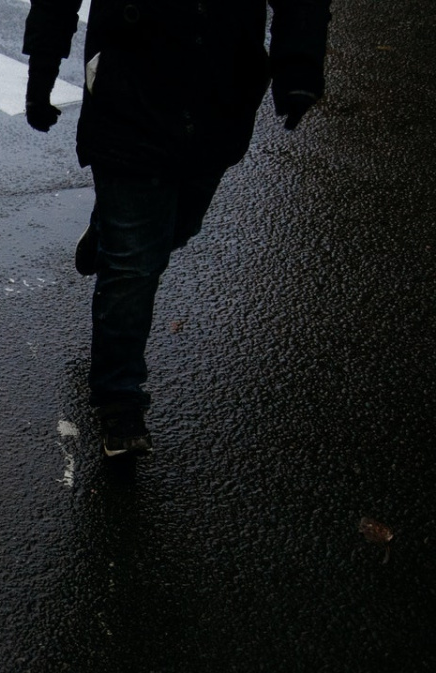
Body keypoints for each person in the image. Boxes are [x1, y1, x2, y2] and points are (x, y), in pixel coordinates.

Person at [23, 0, 331, 457]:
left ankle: (109, 231)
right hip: (129, 92)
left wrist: (300, 68)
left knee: (175, 230)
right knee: (134, 267)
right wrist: (43, 70)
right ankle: (120, 402)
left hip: (219, 96)